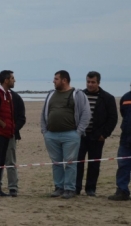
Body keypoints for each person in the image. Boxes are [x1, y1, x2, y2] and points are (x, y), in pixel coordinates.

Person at [40, 70, 91, 199]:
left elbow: (86, 113)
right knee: (56, 163)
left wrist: (78, 132)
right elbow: (43, 113)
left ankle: (69, 188)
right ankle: (59, 187)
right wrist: (45, 131)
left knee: (70, 162)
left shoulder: (77, 94)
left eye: (56, 79)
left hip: (71, 134)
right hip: (51, 135)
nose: (53, 81)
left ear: (64, 80)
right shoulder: (51, 95)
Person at [76, 71, 118, 196]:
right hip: (81, 136)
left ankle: (90, 189)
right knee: (78, 163)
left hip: (97, 137)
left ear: (98, 82)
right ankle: (76, 188)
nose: (90, 84)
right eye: (88, 82)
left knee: (94, 164)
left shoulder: (107, 98)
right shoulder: (80, 95)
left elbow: (112, 118)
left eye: (93, 82)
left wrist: (104, 134)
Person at [108, 86, 131, 201]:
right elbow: (123, 114)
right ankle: (122, 191)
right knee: (123, 165)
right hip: (126, 139)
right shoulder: (126, 97)